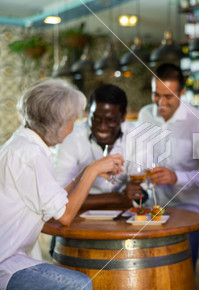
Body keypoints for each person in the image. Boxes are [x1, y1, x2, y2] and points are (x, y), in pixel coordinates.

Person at [0, 79, 124, 290]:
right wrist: (93, 170)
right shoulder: (31, 154)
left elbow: (52, 202)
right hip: (6, 261)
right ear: (56, 123)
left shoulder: (24, 145)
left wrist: (86, 172)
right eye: (72, 121)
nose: (72, 127)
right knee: (79, 286)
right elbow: (65, 216)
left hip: (13, 256)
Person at [138, 63, 199, 269]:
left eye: (168, 96)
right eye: (156, 95)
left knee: (179, 280)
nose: (160, 102)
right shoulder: (145, 115)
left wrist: (176, 177)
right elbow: (139, 158)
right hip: (152, 211)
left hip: (187, 214)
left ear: (182, 93)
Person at [54, 84, 143, 210]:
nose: (102, 127)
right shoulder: (71, 137)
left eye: (110, 120)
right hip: (78, 217)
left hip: (124, 216)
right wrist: (118, 198)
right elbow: (60, 197)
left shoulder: (137, 137)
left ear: (123, 117)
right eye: (96, 118)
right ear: (88, 114)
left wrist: (128, 198)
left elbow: (140, 195)